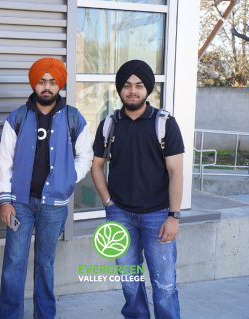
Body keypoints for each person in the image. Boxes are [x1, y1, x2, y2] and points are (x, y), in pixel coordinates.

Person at [0, 58, 94, 319]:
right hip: (19, 203)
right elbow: (4, 161)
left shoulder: (73, 117)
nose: (47, 87)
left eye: (52, 82)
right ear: (34, 84)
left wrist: (68, 178)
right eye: (42, 81)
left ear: (59, 85)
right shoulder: (17, 117)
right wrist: (4, 201)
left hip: (54, 206)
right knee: (13, 264)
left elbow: (86, 156)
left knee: (46, 264)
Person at [91, 60, 184, 319]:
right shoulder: (109, 124)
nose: (133, 90)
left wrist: (173, 216)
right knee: (129, 281)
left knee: (164, 285)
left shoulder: (165, 123)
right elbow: (97, 166)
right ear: (120, 90)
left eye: (139, 86)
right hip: (120, 215)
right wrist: (108, 202)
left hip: (158, 215)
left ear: (148, 89)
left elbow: (176, 172)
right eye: (127, 86)